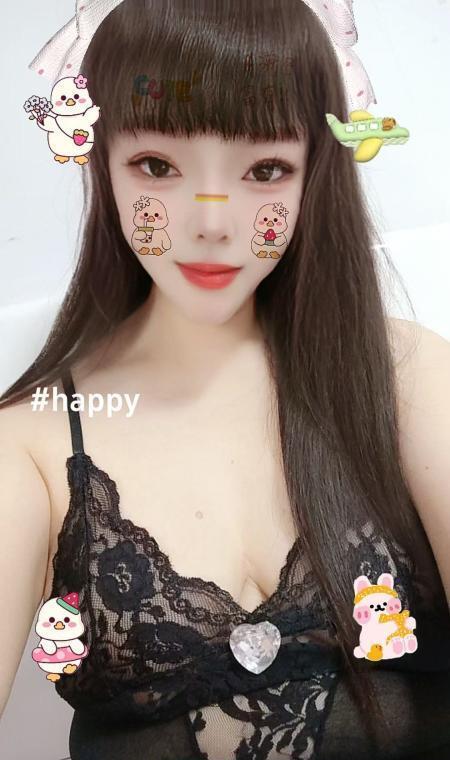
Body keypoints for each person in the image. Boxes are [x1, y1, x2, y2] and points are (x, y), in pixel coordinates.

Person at [1, 1, 450, 758]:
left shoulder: (409, 377)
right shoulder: (30, 446)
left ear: (314, 173)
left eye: (265, 170)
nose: (211, 222)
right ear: (100, 159)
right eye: (157, 166)